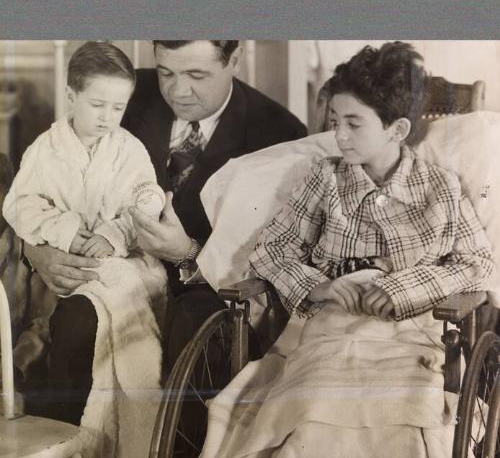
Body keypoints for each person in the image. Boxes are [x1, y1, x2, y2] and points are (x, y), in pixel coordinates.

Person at [199, 42, 494, 458]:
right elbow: (271, 249)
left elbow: (477, 263)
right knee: (313, 409)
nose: (337, 135)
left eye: (354, 124)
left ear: (398, 130)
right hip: (328, 335)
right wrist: (319, 286)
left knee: (401, 420)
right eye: (335, 120)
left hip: (409, 341)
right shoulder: (326, 179)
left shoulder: (439, 188)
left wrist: (402, 288)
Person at [23, 39, 307, 422]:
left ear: (234, 59)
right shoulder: (120, 93)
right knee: (79, 322)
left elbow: (276, 256)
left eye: (196, 75)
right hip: (110, 274)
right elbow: (46, 182)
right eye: (165, 72)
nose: (177, 91)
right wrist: (36, 251)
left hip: (205, 293)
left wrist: (189, 251)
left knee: (193, 336)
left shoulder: (279, 133)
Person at [4, 41, 166, 423]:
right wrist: (63, 230)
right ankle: (56, 411)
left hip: (118, 263)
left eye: (118, 107)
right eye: (98, 105)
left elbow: (148, 199)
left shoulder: (129, 150)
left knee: (93, 316)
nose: (108, 117)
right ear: (71, 97)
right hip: (61, 266)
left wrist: (113, 233)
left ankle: (95, 416)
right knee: (48, 325)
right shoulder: (45, 150)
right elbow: (19, 203)